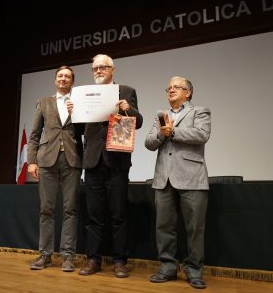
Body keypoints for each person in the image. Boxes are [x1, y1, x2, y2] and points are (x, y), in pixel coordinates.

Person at [77, 54, 143, 278]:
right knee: (93, 215)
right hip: (93, 162)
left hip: (117, 161)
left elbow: (138, 122)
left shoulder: (126, 91)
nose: (98, 71)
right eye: (95, 68)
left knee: (118, 215)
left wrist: (128, 109)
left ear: (112, 69)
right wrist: (72, 110)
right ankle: (93, 259)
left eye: (103, 67)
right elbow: (78, 127)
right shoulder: (85, 93)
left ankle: (119, 261)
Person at [145, 76, 211, 289]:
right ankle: (167, 268)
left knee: (194, 228)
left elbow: (202, 134)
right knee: (163, 227)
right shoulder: (160, 116)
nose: (171, 89)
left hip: (192, 177)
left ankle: (194, 271)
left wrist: (173, 132)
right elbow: (149, 143)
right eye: (169, 87)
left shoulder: (199, 111)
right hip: (163, 178)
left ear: (188, 92)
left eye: (176, 87)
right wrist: (162, 134)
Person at [27, 66, 83, 272]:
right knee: (46, 209)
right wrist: (32, 161)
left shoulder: (78, 102)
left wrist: (75, 113)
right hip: (46, 160)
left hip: (72, 159)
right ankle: (45, 255)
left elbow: (84, 131)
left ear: (72, 81)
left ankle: (68, 256)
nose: (63, 78)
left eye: (67, 76)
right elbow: (34, 134)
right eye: (60, 75)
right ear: (55, 80)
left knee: (70, 209)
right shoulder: (44, 102)